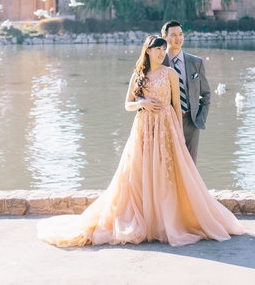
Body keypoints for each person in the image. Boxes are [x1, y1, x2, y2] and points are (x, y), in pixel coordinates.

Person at [37, 35, 242, 247]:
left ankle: (166, 220)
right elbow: (127, 105)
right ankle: (143, 219)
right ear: (148, 51)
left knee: (167, 172)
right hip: (144, 127)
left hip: (166, 126)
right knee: (138, 170)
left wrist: (179, 134)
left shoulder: (170, 74)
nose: (162, 53)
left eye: (164, 50)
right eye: (158, 50)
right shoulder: (139, 75)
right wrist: (141, 102)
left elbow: (177, 106)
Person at [161, 20, 210, 162]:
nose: (178, 38)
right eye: (174, 35)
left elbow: (206, 94)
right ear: (165, 38)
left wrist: (200, 119)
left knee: (190, 167)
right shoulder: (159, 63)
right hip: (167, 122)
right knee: (169, 165)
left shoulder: (196, 62)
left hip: (191, 122)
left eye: (181, 34)